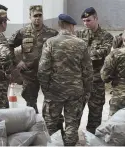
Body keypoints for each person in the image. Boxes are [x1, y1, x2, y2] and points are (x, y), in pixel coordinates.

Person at [38, 14, 93, 146]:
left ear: (60, 26)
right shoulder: (81, 44)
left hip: (54, 90)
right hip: (75, 91)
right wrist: (86, 90)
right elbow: (88, 71)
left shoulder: (50, 42)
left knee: (51, 123)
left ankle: (53, 144)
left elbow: (43, 69)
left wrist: (46, 89)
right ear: (71, 26)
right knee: (72, 124)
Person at [8, 5, 58, 113]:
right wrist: (17, 61)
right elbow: (9, 46)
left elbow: (59, 51)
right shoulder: (23, 32)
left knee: (52, 101)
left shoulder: (52, 33)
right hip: (29, 73)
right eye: (35, 16)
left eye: (40, 15)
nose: (38, 18)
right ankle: (34, 125)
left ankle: (52, 127)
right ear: (30, 17)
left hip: (47, 73)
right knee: (30, 103)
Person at [76, 7, 113, 134]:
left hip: (97, 79)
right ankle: (72, 136)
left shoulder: (106, 36)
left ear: (96, 19)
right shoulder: (79, 35)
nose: (86, 23)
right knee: (76, 110)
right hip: (81, 80)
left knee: (96, 110)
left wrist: (84, 55)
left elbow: (103, 53)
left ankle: (91, 136)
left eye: (89, 20)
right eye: (84, 21)